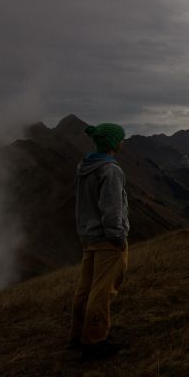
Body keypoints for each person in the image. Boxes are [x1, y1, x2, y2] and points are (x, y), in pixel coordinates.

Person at [68, 122, 130, 360]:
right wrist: (118, 236)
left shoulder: (84, 166)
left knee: (85, 289)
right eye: (121, 139)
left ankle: (78, 335)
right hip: (107, 240)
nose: (122, 142)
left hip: (88, 237)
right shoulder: (111, 170)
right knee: (102, 292)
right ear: (114, 143)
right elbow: (112, 207)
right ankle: (95, 341)